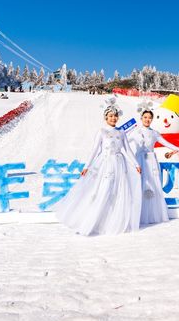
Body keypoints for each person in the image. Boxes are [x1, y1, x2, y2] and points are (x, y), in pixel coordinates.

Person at [55, 96, 142, 236]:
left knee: (117, 193)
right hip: (106, 164)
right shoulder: (101, 132)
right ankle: (90, 223)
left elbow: (128, 151)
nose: (113, 118)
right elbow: (94, 151)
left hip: (119, 165)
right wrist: (86, 166)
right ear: (105, 118)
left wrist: (136, 164)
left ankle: (112, 222)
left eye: (115, 116)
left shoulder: (122, 133)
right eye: (110, 116)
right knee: (104, 191)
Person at [128, 101, 175, 226]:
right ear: (141, 118)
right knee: (140, 185)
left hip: (151, 161)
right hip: (139, 161)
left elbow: (167, 143)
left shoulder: (155, 133)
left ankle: (154, 214)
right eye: (145, 117)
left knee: (154, 185)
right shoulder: (135, 132)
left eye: (150, 118)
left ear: (152, 119)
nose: (147, 120)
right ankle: (139, 214)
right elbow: (124, 142)